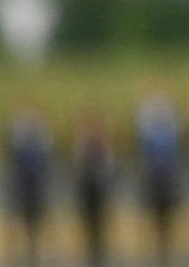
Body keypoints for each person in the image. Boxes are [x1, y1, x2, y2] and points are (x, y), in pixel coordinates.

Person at [135, 92, 182, 267]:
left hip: (168, 181)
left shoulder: (171, 133)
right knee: (152, 217)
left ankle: (167, 250)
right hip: (153, 180)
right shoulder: (149, 134)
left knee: (168, 218)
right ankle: (155, 250)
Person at [2, 108, 49, 267]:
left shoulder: (42, 143)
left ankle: (35, 251)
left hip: (36, 190)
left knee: (36, 222)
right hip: (20, 189)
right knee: (17, 221)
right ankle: (15, 252)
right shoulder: (17, 144)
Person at [70, 109, 115, 267]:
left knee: (101, 225)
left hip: (100, 191)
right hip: (87, 192)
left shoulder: (104, 146)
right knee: (87, 225)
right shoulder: (82, 146)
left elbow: (109, 167)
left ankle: (100, 254)